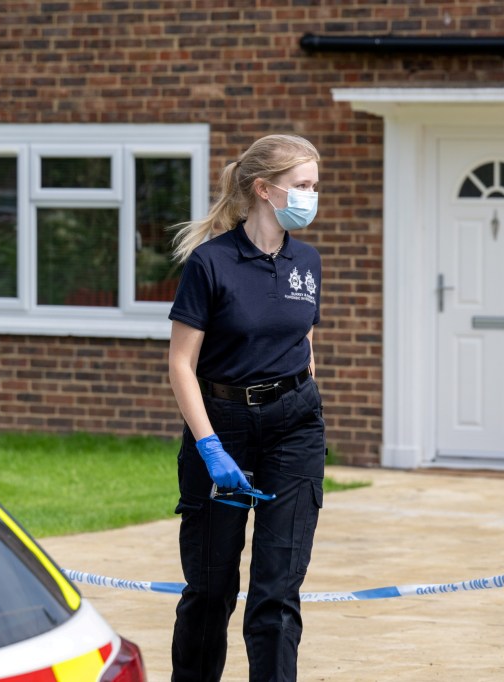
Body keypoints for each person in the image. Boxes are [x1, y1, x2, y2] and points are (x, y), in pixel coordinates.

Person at [167, 134, 326, 682]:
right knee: (211, 590)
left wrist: (301, 391)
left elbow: (303, 340)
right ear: (264, 189)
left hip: (294, 428)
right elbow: (181, 364)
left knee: (277, 594)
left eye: (315, 186)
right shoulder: (210, 263)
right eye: (302, 186)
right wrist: (209, 446)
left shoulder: (308, 260)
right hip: (223, 426)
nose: (312, 196)